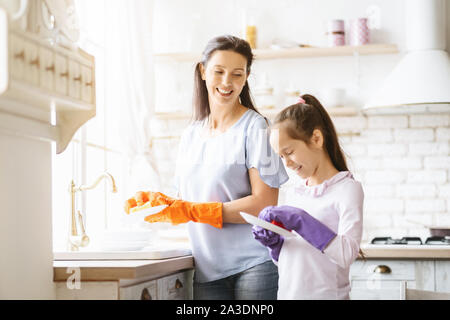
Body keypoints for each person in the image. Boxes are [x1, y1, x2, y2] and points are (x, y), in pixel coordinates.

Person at [125, 35, 288, 300]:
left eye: (237, 74)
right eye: (219, 71)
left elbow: (264, 204)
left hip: (254, 265)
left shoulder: (256, 128)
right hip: (207, 268)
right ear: (203, 71)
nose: (227, 82)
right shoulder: (190, 134)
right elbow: (187, 202)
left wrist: (194, 210)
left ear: (246, 77)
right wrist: (159, 203)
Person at [252, 94, 364, 300]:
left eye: (290, 151)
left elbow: (347, 254)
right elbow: (293, 260)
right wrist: (274, 245)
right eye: (281, 156)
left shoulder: (347, 189)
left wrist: (302, 221)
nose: (287, 163)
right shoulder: (294, 193)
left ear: (316, 139)